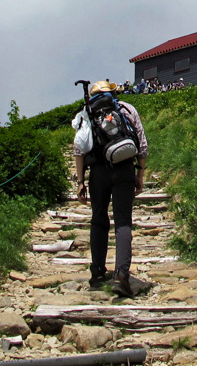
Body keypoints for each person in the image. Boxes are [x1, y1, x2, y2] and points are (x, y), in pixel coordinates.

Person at [72, 80, 148, 298]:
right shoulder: (127, 110)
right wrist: (140, 175)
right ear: (114, 93)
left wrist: (80, 182)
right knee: (123, 221)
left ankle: (97, 272)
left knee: (98, 219)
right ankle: (121, 276)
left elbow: (79, 149)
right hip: (124, 169)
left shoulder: (87, 113)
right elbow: (142, 145)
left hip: (98, 172)